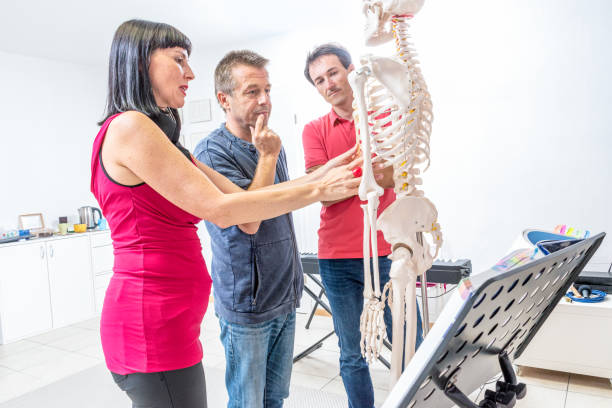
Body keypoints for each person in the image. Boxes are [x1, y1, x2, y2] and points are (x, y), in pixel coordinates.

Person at [91, 21, 361, 408]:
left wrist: (326, 171)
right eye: (179, 59)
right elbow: (226, 211)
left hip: (174, 322)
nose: (190, 73)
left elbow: (247, 198)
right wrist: (319, 189)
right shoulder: (132, 127)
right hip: (149, 324)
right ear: (139, 63)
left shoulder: (162, 139)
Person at [301, 43, 424, 408]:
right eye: (319, 80)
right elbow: (320, 192)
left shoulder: (385, 118)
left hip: (390, 251)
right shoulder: (314, 130)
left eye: (333, 73)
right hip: (337, 257)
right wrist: (370, 174)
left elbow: (395, 174)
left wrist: (342, 177)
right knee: (351, 353)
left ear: (351, 70)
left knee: (411, 344)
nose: (328, 84)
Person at [192, 49, 300, 408]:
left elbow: (281, 205)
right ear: (224, 99)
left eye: (268, 90)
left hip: (283, 293)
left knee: (275, 398)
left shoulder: (271, 142)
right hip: (248, 305)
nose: (265, 100)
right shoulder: (210, 153)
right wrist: (267, 157)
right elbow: (250, 220)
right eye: (252, 91)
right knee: (247, 401)